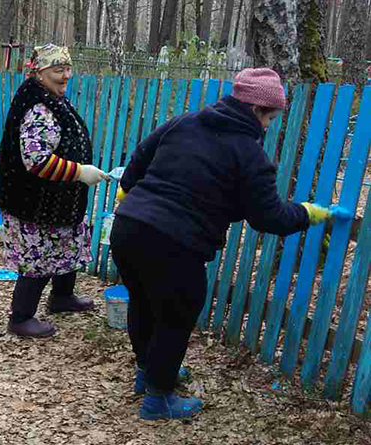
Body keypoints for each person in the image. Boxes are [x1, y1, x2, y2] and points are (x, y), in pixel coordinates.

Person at [109, 67, 333, 421]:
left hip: (128, 228)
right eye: (270, 117)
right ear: (256, 110)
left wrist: (130, 187)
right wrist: (306, 213)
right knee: (176, 315)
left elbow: (141, 154)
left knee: (144, 302)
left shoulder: (185, 121)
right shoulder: (249, 154)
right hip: (175, 243)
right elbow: (268, 217)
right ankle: (158, 399)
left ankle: (148, 372)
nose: (268, 126)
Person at [0, 44, 111, 339]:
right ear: (40, 71)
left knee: (66, 245)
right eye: (58, 70)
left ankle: (61, 297)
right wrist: (79, 172)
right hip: (34, 200)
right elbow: (37, 160)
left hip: (57, 200)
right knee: (38, 258)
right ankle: (20, 318)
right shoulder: (37, 107)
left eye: (67, 69)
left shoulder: (50, 97)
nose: (65, 76)